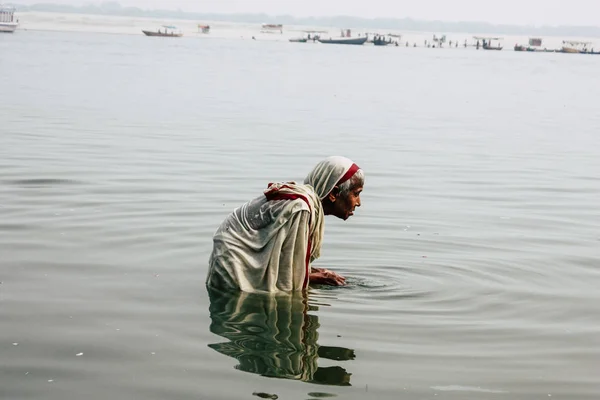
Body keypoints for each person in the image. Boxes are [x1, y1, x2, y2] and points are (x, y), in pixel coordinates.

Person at [206, 156, 364, 293]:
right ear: (334, 194)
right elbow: (286, 275)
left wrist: (315, 272)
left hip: (229, 262)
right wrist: (316, 278)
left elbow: (283, 260)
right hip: (235, 267)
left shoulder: (305, 203)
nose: (358, 203)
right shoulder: (301, 209)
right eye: (356, 194)